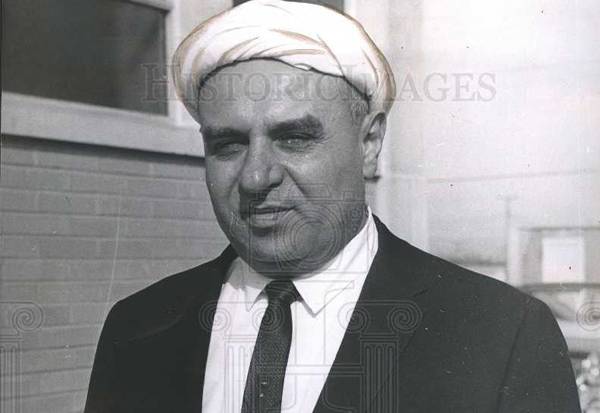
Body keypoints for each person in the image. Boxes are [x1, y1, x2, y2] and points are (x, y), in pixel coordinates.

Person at [84, 1, 580, 412]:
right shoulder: (140, 326)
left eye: (294, 138)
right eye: (228, 145)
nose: (256, 177)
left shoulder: (499, 333)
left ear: (369, 143)